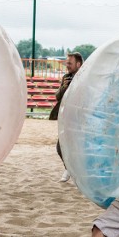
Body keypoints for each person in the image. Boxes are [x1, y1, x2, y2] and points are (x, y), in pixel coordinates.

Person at [49, 52, 83, 182]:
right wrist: (64, 87)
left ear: (78, 64)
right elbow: (57, 96)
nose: (67, 65)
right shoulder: (66, 78)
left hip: (80, 119)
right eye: (67, 62)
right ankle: (69, 168)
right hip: (67, 118)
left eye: (70, 63)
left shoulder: (86, 78)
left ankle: (77, 172)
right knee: (60, 147)